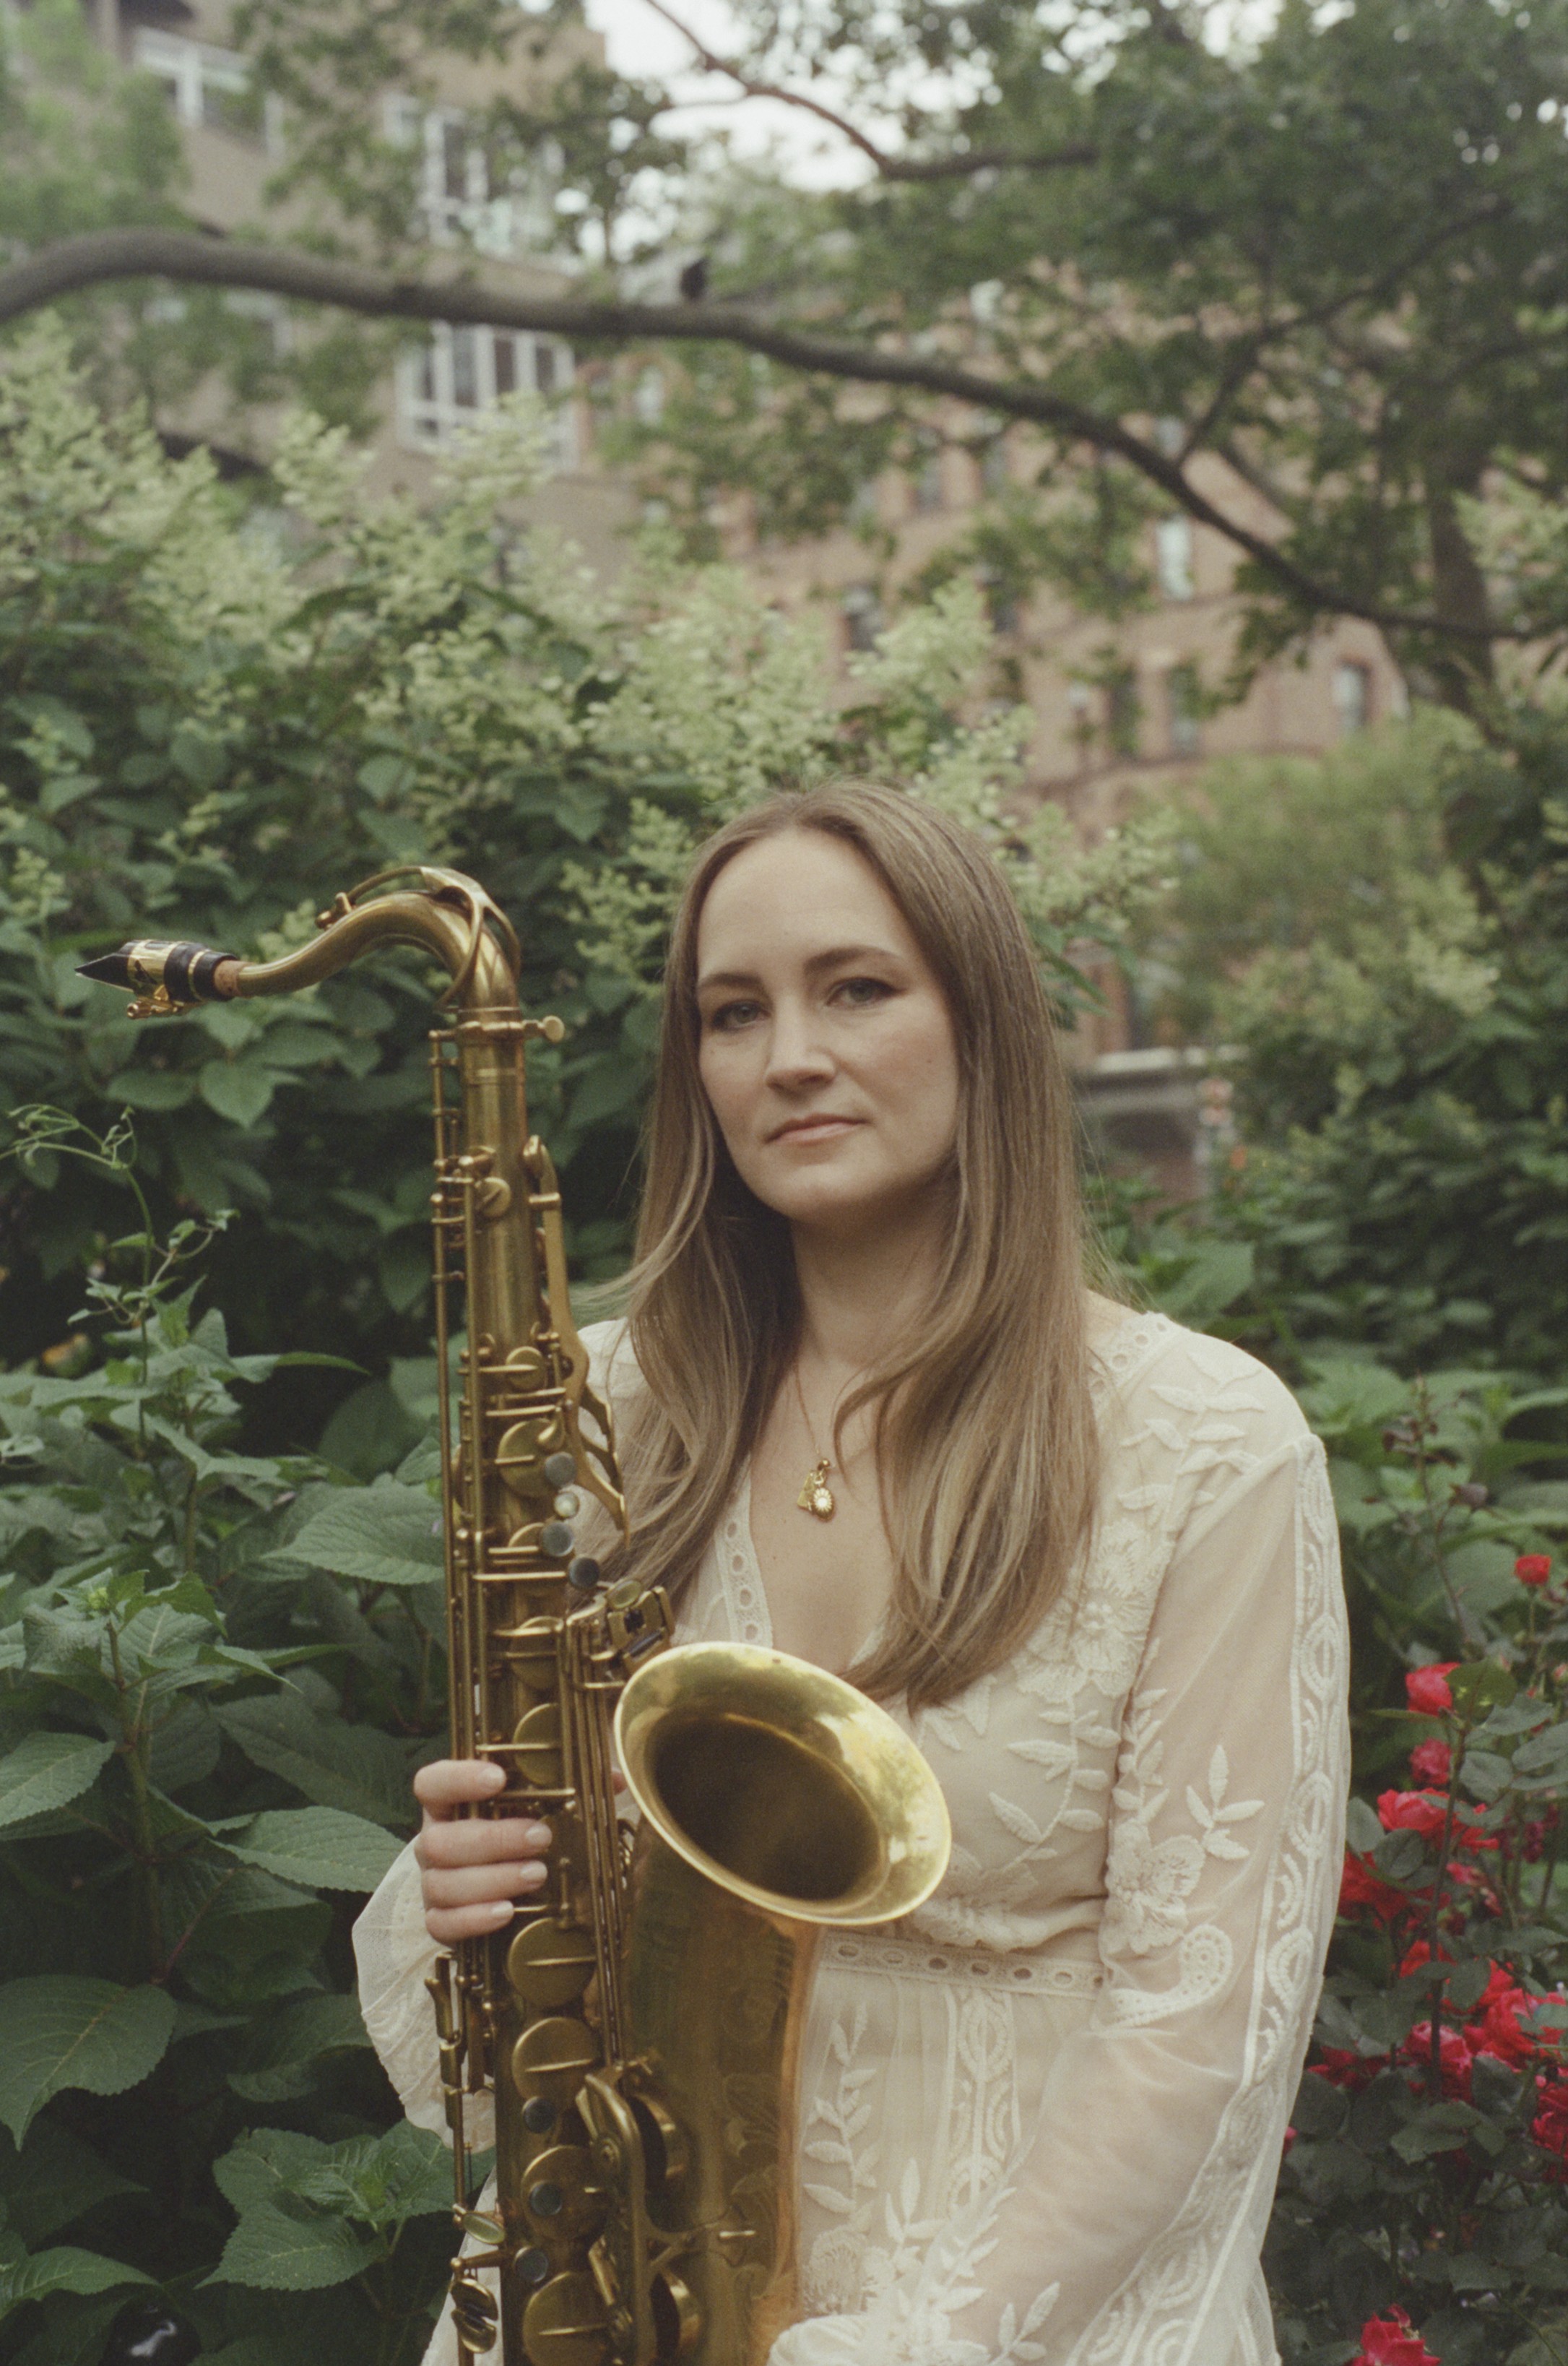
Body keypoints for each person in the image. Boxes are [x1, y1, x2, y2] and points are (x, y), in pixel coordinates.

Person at [352, 783, 1349, 2366]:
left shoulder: (1207, 1445)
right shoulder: (604, 1404)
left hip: (1027, 2321)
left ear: (987, 1027)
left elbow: (1200, 2026)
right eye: (732, 1013)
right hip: (621, 2290)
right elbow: (515, 2015)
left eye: (857, 989)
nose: (788, 1057)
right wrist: (463, 1895)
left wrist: (919, 2345)